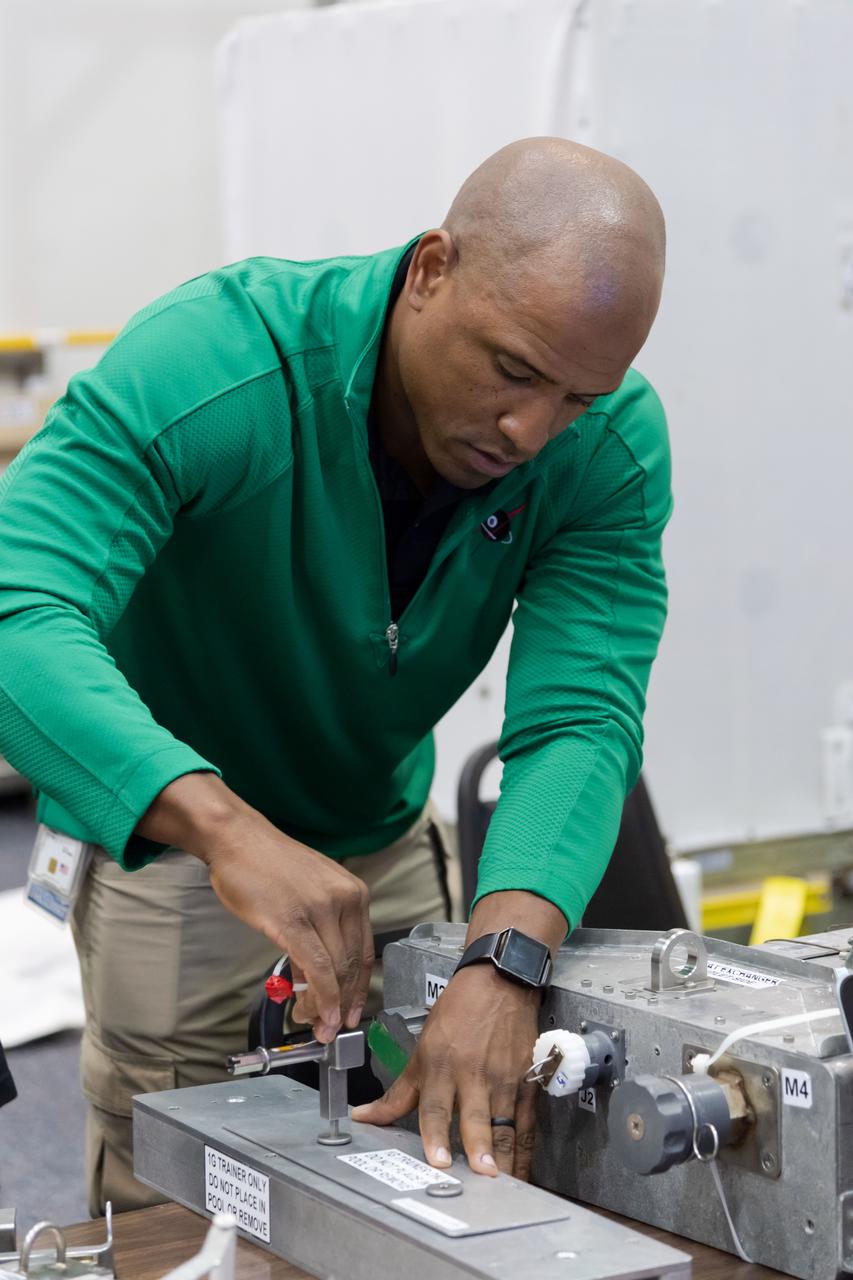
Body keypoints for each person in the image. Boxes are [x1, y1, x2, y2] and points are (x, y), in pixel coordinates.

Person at [0, 136, 669, 1212]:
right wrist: (223, 829)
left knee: (439, 1178)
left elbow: (580, 718)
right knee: (182, 1191)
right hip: (174, 846)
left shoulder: (608, 448)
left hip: (381, 836)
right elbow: (16, 612)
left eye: (578, 397)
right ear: (430, 270)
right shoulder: (216, 361)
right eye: (512, 368)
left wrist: (505, 956)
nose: (530, 429)